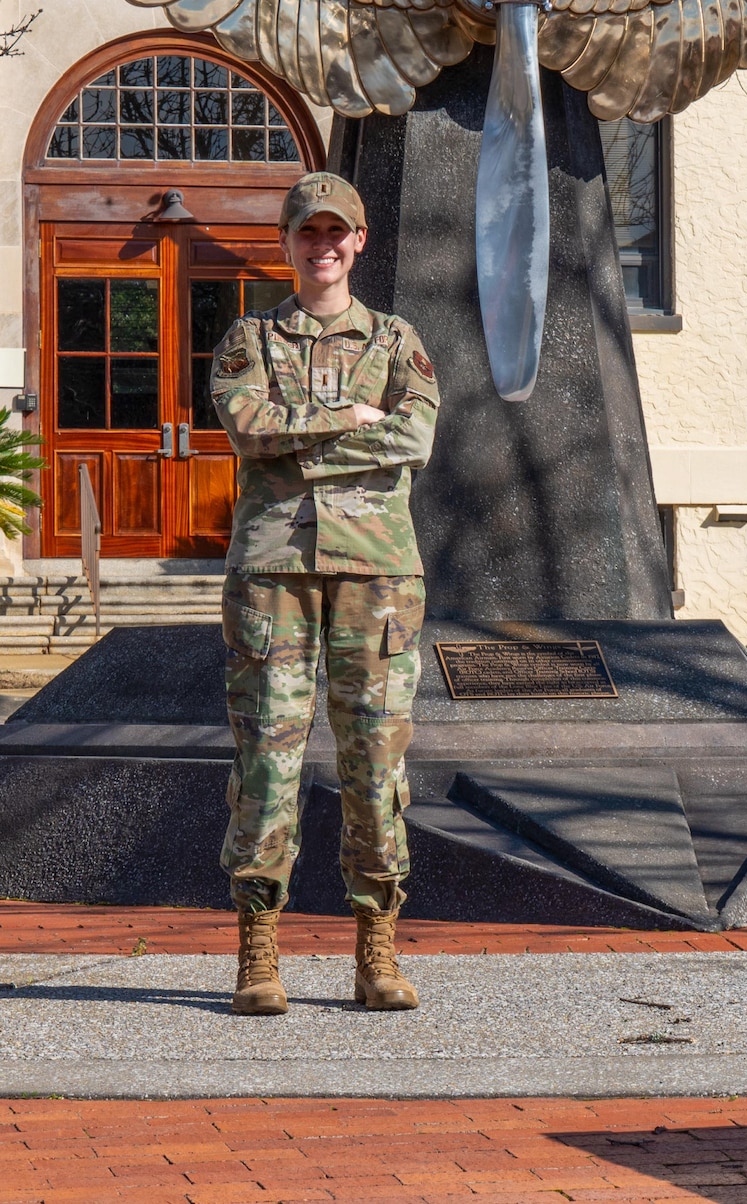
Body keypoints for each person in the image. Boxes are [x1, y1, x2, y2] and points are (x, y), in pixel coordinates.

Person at [209, 171, 441, 1016]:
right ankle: (258, 953)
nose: (324, 246)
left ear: (361, 241)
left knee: (375, 768)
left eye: (338, 233)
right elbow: (245, 426)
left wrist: (300, 444)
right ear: (288, 243)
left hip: (377, 581)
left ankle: (376, 951)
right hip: (273, 580)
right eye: (309, 233)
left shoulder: (396, 338)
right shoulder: (248, 340)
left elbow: (413, 436)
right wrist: (350, 425)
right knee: (267, 769)